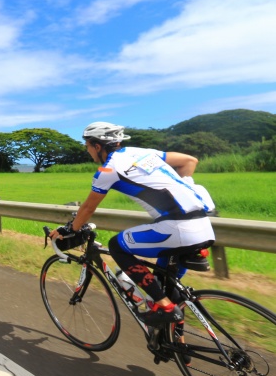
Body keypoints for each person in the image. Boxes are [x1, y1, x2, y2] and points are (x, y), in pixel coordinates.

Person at [49, 122, 216, 327]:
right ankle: (176, 346)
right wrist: (177, 192)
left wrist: (70, 229)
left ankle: (164, 306)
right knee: (167, 291)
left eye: (87, 145)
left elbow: (88, 209)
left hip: (177, 229)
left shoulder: (108, 169)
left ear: (97, 146)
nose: (87, 150)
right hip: (204, 226)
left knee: (117, 246)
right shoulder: (141, 152)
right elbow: (190, 161)